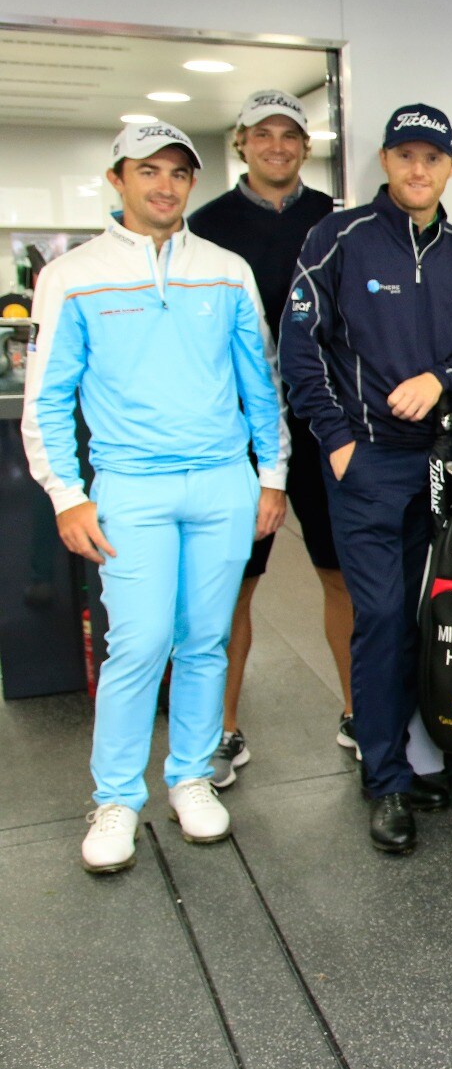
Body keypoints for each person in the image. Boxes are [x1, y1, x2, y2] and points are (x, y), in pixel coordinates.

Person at [22, 121, 286, 873]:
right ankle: (115, 799)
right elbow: (48, 397)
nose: (165, 186)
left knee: (205, 639)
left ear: (192, 183)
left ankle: (190, 777)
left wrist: (272, 475)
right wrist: (66, 495)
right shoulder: (72, 275)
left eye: (178, 173)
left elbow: (260, 382)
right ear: (118, 179)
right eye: (148, 171)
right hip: (131, 485)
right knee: (137, 644)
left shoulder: (226, 270)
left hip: (222, 482)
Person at [282, 103, 452, 855]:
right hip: (365, 465)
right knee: (377, 618)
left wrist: (439, 380)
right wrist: (338, 442)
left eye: (432, 158)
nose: (418, 169)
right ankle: (386, 781)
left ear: (451, 167)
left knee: (419, 619)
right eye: (405, 155)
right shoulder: (337, 238)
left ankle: (410, 760)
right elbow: (299, 348)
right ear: (384, 161)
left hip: (437, 464)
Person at [187, 88, 347, 784]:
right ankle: (222, 731)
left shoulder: (337, 220)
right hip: (240, 432)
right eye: (262, 134)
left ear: (306, 146)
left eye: (289, 135)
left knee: (341, 575)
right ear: (241, 142)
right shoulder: (205, 226)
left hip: (322, 427)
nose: (276, 146)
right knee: (234, 585)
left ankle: (360, 715)